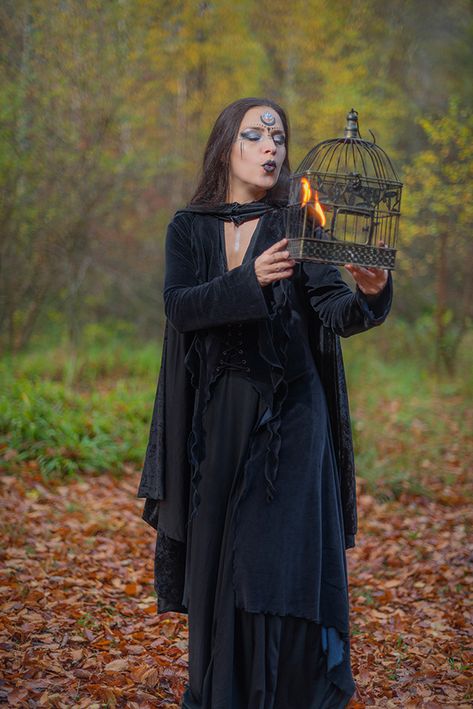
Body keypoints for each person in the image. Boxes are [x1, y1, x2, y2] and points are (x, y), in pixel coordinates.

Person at [138, 97, 392, 709]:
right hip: (216, 420)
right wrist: (248, 282)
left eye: (278, 135)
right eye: (256, 134)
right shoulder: (188, 227)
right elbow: (180, 308)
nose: (272, 146)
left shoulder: (299, 223)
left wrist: (372, 294)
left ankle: (284, 695)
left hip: (294, 420)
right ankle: (221, 691)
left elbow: (335, 312)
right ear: (227, 144)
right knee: (218, 555)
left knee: (273, 558)